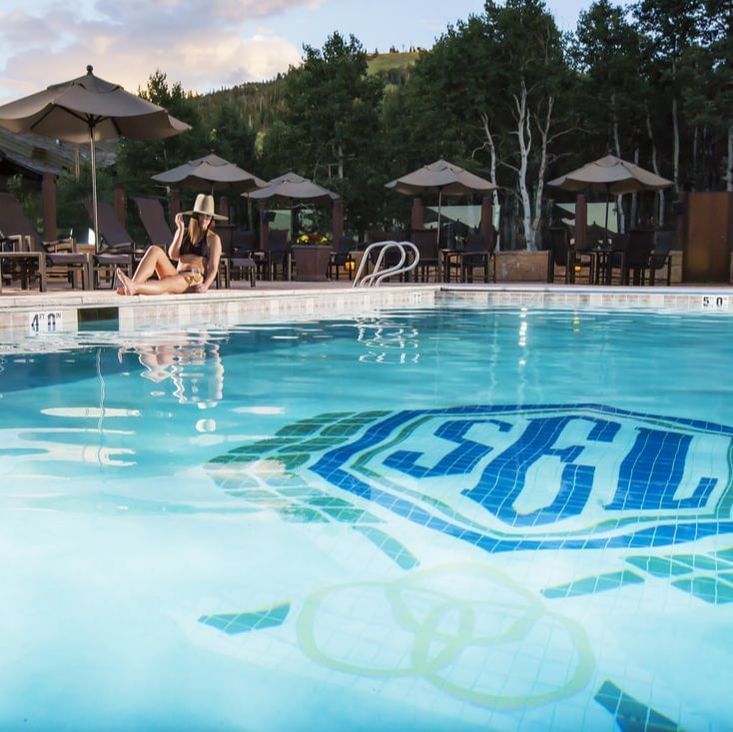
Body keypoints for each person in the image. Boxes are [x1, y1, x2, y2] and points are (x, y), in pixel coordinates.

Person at [116, 193, 225, 296]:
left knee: (167, 283)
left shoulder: (213, 239)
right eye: (202, 216)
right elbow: (173, 255)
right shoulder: (185, 233)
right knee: (154, 250)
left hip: (193, 278)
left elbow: (213, 267)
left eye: (208, 217)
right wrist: (181, 229)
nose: (205, 220)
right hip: (177, 275)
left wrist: (206, 285)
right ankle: (133, 285)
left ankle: (135, 287)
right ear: (195, 216)